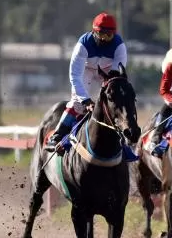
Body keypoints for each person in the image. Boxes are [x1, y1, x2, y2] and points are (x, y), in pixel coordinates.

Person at [46, 12, 129, 155]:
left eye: (109, 36)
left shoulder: (119, 46)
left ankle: (125, 140)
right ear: (94, 31)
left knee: (115, 101)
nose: (105, 39)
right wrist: (85, 101)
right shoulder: (83, 44)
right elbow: (75, 75)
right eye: (102, 34)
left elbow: (115, 76)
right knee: (77, 103)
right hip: (86, 71)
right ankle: (58, 134)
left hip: (108, 73)